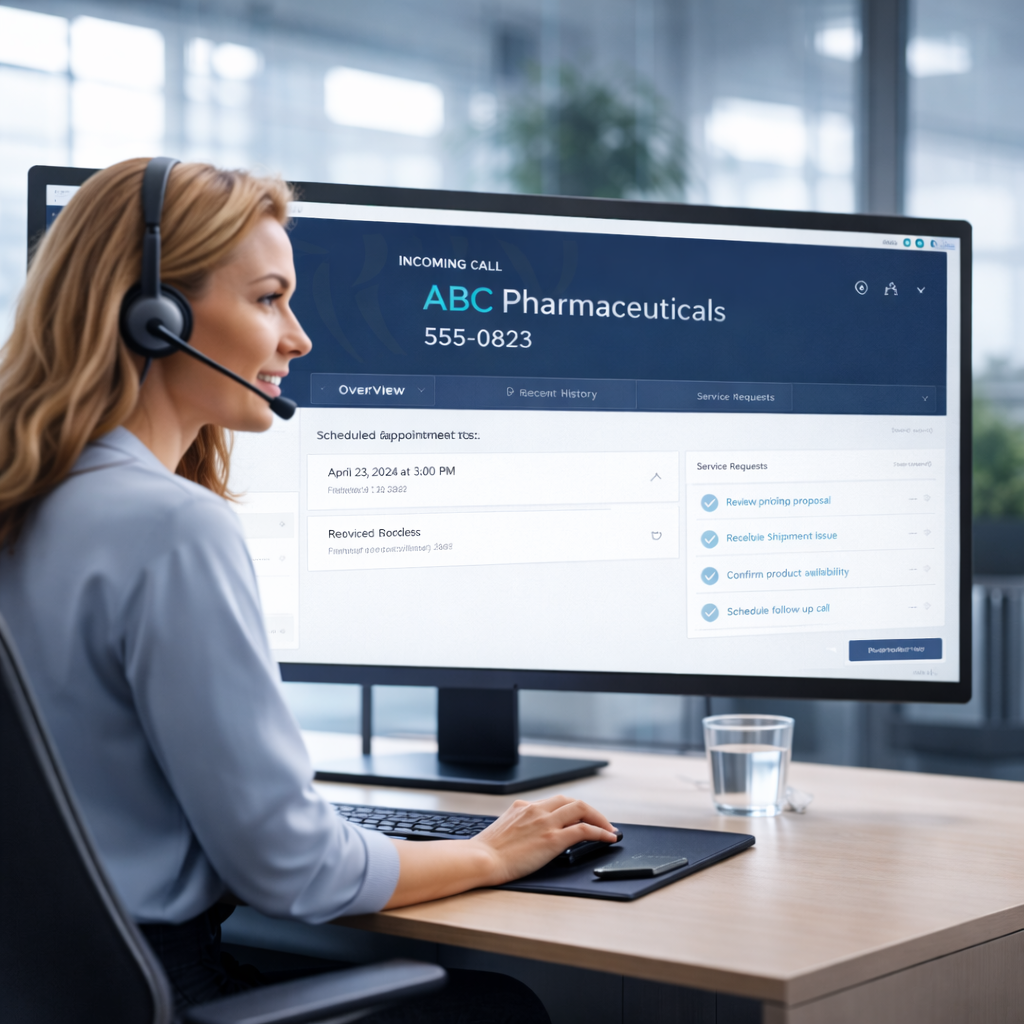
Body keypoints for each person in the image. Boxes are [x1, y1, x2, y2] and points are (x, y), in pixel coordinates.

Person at [0, 158, 618, 1019]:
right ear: (155, 315)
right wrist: (488, 852)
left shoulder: (25, 502)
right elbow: (290, 868)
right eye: (267, 299)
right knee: (500, 1008)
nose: (299, 337)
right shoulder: (170, 526)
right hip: (154, 988)